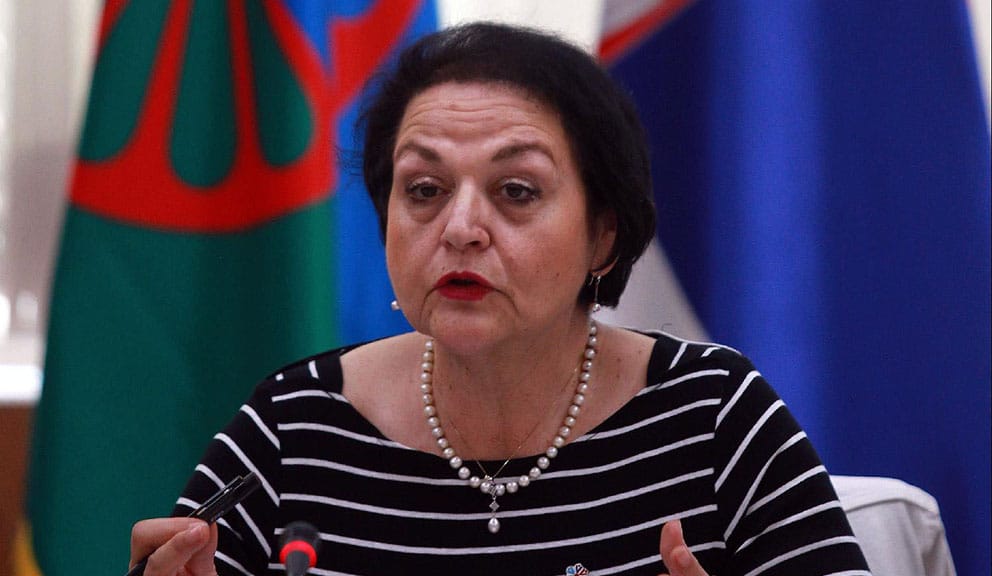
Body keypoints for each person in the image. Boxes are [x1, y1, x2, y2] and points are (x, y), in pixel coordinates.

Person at [129, 22, 871, 576]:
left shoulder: (712, 416)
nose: (460, 228)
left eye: (516, 191)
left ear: (603, 236)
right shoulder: (294, 427)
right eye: (424, 189)